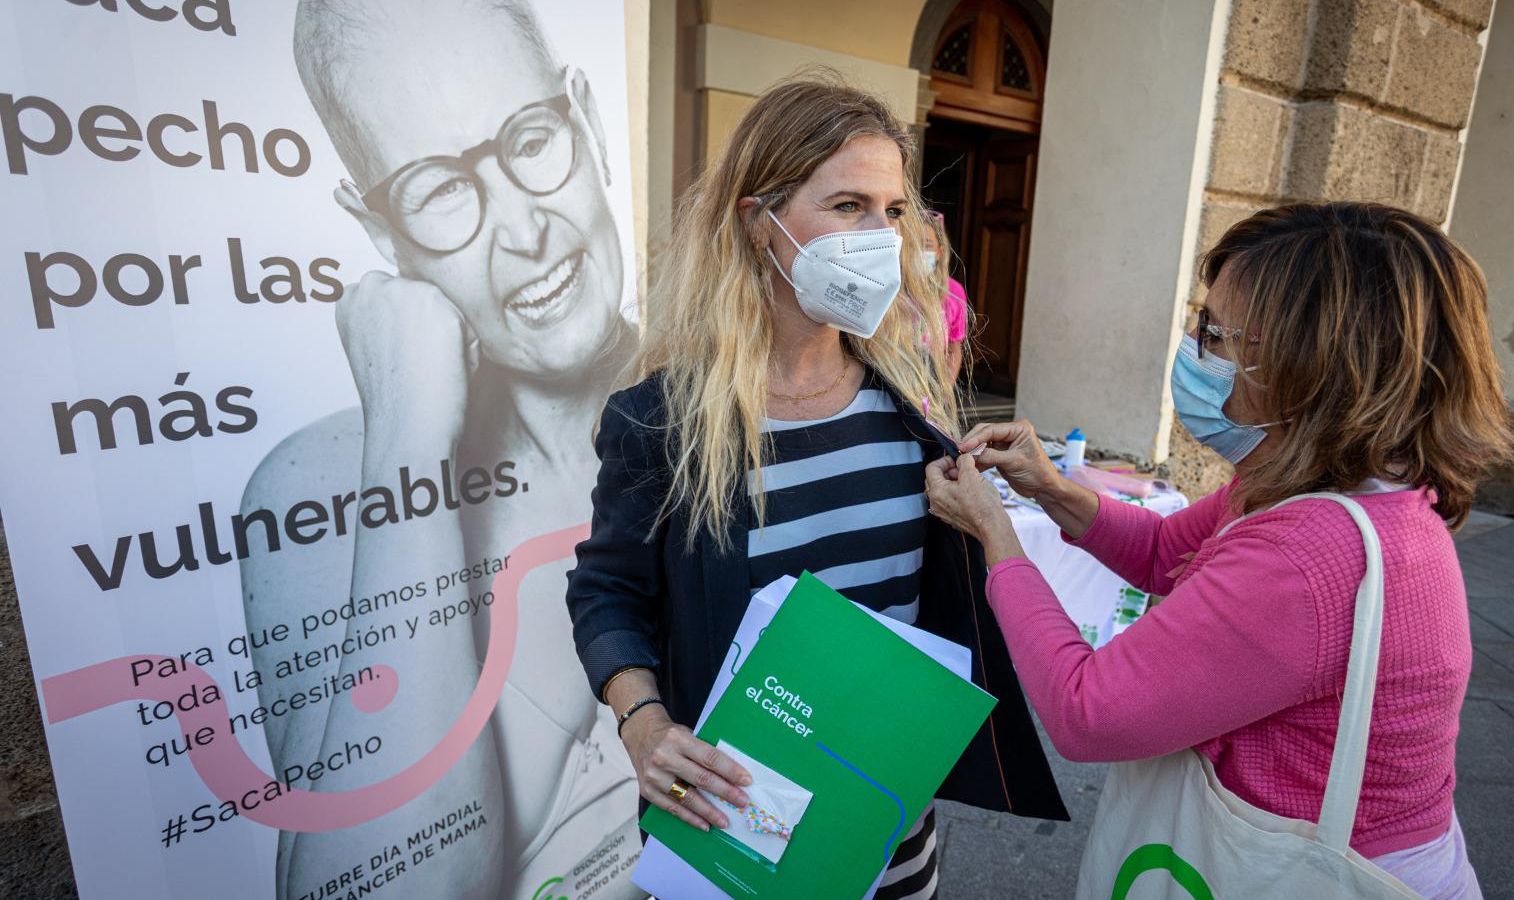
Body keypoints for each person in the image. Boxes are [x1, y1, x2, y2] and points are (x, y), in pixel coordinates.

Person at [565, 74, 1068, 900]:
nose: (880, 237)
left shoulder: (910, 405)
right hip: (731, 828)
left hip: (891, 836)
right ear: (757, 220)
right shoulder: (662, 422)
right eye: (847, 206)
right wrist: (643, 723)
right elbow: (606, 593)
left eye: (893, 210)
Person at [924, 202, 1514, 899]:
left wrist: (997, 538)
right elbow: (1163, 551)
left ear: (1309, 365)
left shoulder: (1304, 556)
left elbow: (1087, 711)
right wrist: (1050, 488)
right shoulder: (1333, 488)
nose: (1192, 350)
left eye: (1215, 334)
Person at [239, 2, 641, 898]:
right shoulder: (317, 482)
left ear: (587, 119)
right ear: (381, 230)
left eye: (531, 140)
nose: (525, 233)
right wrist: (408, 445)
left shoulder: (704, 399)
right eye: (440, 190)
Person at [920, 210, 968, 380]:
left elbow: (954, 349)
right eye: (913, 244)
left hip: (932, 385)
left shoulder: (953, 291)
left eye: (926, 245)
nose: (918, 251)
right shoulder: (892, 288)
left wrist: (945, 388)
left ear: (939, 252)